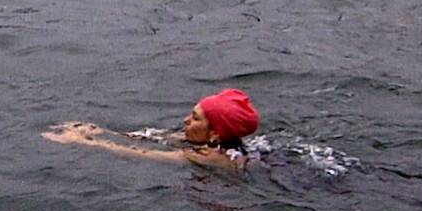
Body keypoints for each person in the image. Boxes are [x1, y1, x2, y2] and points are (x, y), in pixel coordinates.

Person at [44, 88, 261, 169]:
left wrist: (82, 142)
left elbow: (144, 154)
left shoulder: (211, 157)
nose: (186, 120)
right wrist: (98, 131)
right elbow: (150, 138)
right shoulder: (210, 141)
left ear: (215, 133)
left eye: (195, 118)